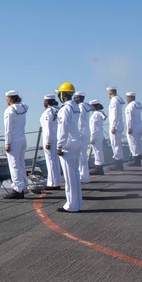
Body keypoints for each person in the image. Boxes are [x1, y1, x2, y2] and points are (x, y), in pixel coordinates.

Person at [55, 82, 83, 212]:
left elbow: (63, 129)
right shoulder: (75, 107)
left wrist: (59, 145)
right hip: (76, 142)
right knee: (75, 174)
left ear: (63, 94)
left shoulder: (65, 109)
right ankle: (77, 204)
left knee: (69, 176)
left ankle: (71, 205)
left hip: (68, 145)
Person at [2, 90, 29, 199]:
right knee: (21, 164)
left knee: (14, 165)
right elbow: (26, 106)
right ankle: (24, 186)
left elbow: (8, 129)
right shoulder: (23, 108)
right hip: (23, 139)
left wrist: (7, 143)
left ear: (10, 98)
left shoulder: (9, 111)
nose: (6, 100)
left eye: (7, 98)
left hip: (14, 141)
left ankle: (18, 189)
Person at [40, 94, 61, 189]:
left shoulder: (48, 112)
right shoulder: (58, 110)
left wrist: (47, 142)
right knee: (56, 160)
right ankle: (57, 181)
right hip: (57, 137)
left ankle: (53, 183)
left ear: (47, 102)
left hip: (50, 138)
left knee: (50, 161)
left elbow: (47, 127)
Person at [73, 92, 92, 184]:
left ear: (79, 98)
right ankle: (85, 175)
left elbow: (79, 122)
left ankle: (84, 176)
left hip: (81, 132)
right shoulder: (87, 106)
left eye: (75, 97)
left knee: (81, 155)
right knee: (83, 154)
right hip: (86, 131)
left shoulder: (80, 107)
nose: (74, 99)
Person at [107, 86, 126, 170]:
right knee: (117, 144)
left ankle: (118, 164)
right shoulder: (119, 99)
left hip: (115, 125)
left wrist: (113, 126)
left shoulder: (114, 101)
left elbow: (114, 114)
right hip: (119, 124)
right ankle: (119, 163)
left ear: (110, 93)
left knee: (115, 144)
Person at [125, 92, 142, 165]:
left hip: (133, 127)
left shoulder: (130, 106)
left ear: (129, 97)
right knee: (138, 142)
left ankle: (136, 160)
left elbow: (129, 118)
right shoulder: (138, 104)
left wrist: (129, 127)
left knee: (133, 143)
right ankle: (139, 157)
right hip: (139, 126)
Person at [89, 100, 107, 176]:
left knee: (96, 151)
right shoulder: (100, 114)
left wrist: (92, 138)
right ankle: (100, 167)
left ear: (93, 106)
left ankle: (98, 167)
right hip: (99, 135)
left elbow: (93, 128)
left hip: (95, 135)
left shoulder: (95, 115)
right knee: (99, 150)